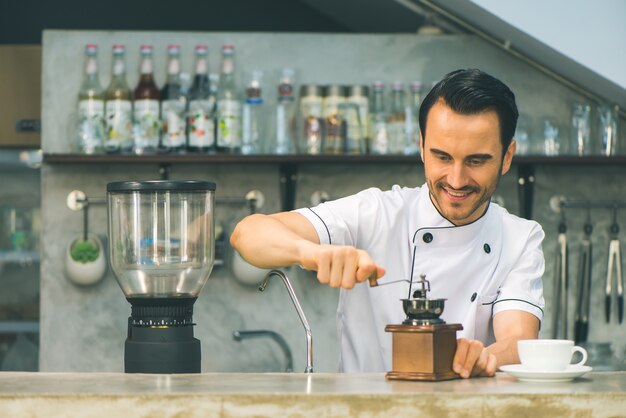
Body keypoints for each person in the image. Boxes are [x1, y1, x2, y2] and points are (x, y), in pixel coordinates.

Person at [230, 68, 545, 378]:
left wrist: (483, 357)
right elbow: (248, 234)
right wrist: (311, 253)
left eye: (476, 160)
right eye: (443, 157)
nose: (456, 179)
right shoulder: (375, 213)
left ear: (507, 157)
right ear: (421, 146)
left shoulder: (519, 237)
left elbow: (518, 341)